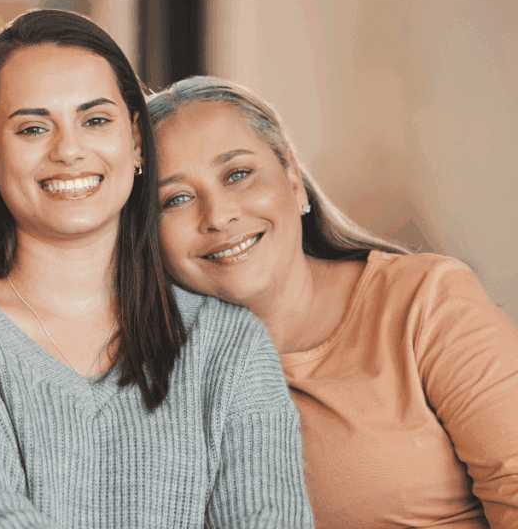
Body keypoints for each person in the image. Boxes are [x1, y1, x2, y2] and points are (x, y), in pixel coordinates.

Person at [0, 10, 313, 528]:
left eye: (95, 120)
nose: (69, 151)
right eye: (34, 128)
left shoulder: (229, 344)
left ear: (135, 142)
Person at [148, 76, 518, 528]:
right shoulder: (158, 376)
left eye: (238, 174)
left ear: (293, 181)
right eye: (177, 199)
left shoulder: (426, 302)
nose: (219, 215)